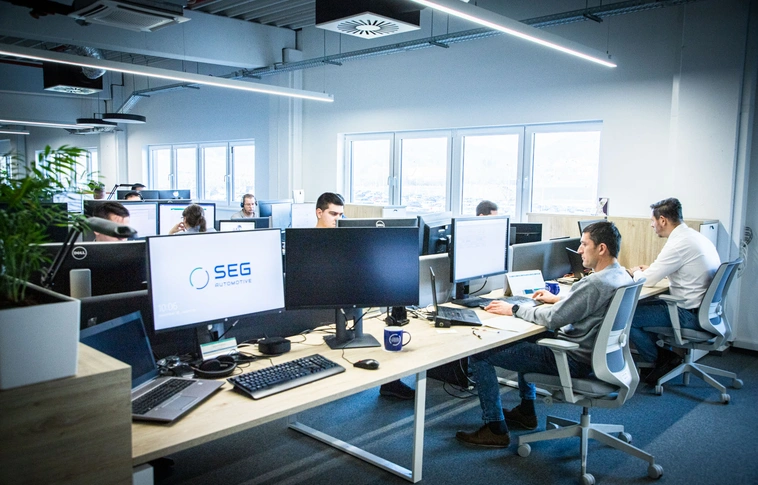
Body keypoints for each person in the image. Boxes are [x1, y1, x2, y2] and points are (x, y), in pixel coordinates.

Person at [456, 221, 630, 447]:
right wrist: (559, 299)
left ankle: (495, 428)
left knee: (480, 353)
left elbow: (553, 319)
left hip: (573, 360)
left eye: (584, 244)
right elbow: (588, 304)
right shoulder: (621, 275)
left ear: (602, 248)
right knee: (529, 337)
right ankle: (526, 411)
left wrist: (514, 308)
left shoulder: (596, 283)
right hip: (597, 357)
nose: (579, 250)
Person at [313, 192, 415, 399]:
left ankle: (390, 382)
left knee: (386, 330)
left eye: (341, 215)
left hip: (352, 307)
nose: (338, 219)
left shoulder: (350, 243)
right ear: (319, 213)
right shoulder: (308, 244)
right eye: (333, 214)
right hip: (318, 312)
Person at [627, 198, 720, 383]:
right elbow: (686, 270)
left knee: (626, 317)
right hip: (706, 312)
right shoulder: (694, 237)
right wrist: (653, 270)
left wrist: (635, 272)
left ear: (662, 220)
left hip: (688, 314)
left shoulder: (678, 244)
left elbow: (648, 280)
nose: (651, 225)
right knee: (644, 306)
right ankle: (663, 359)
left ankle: (661, 360)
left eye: (652, 220)